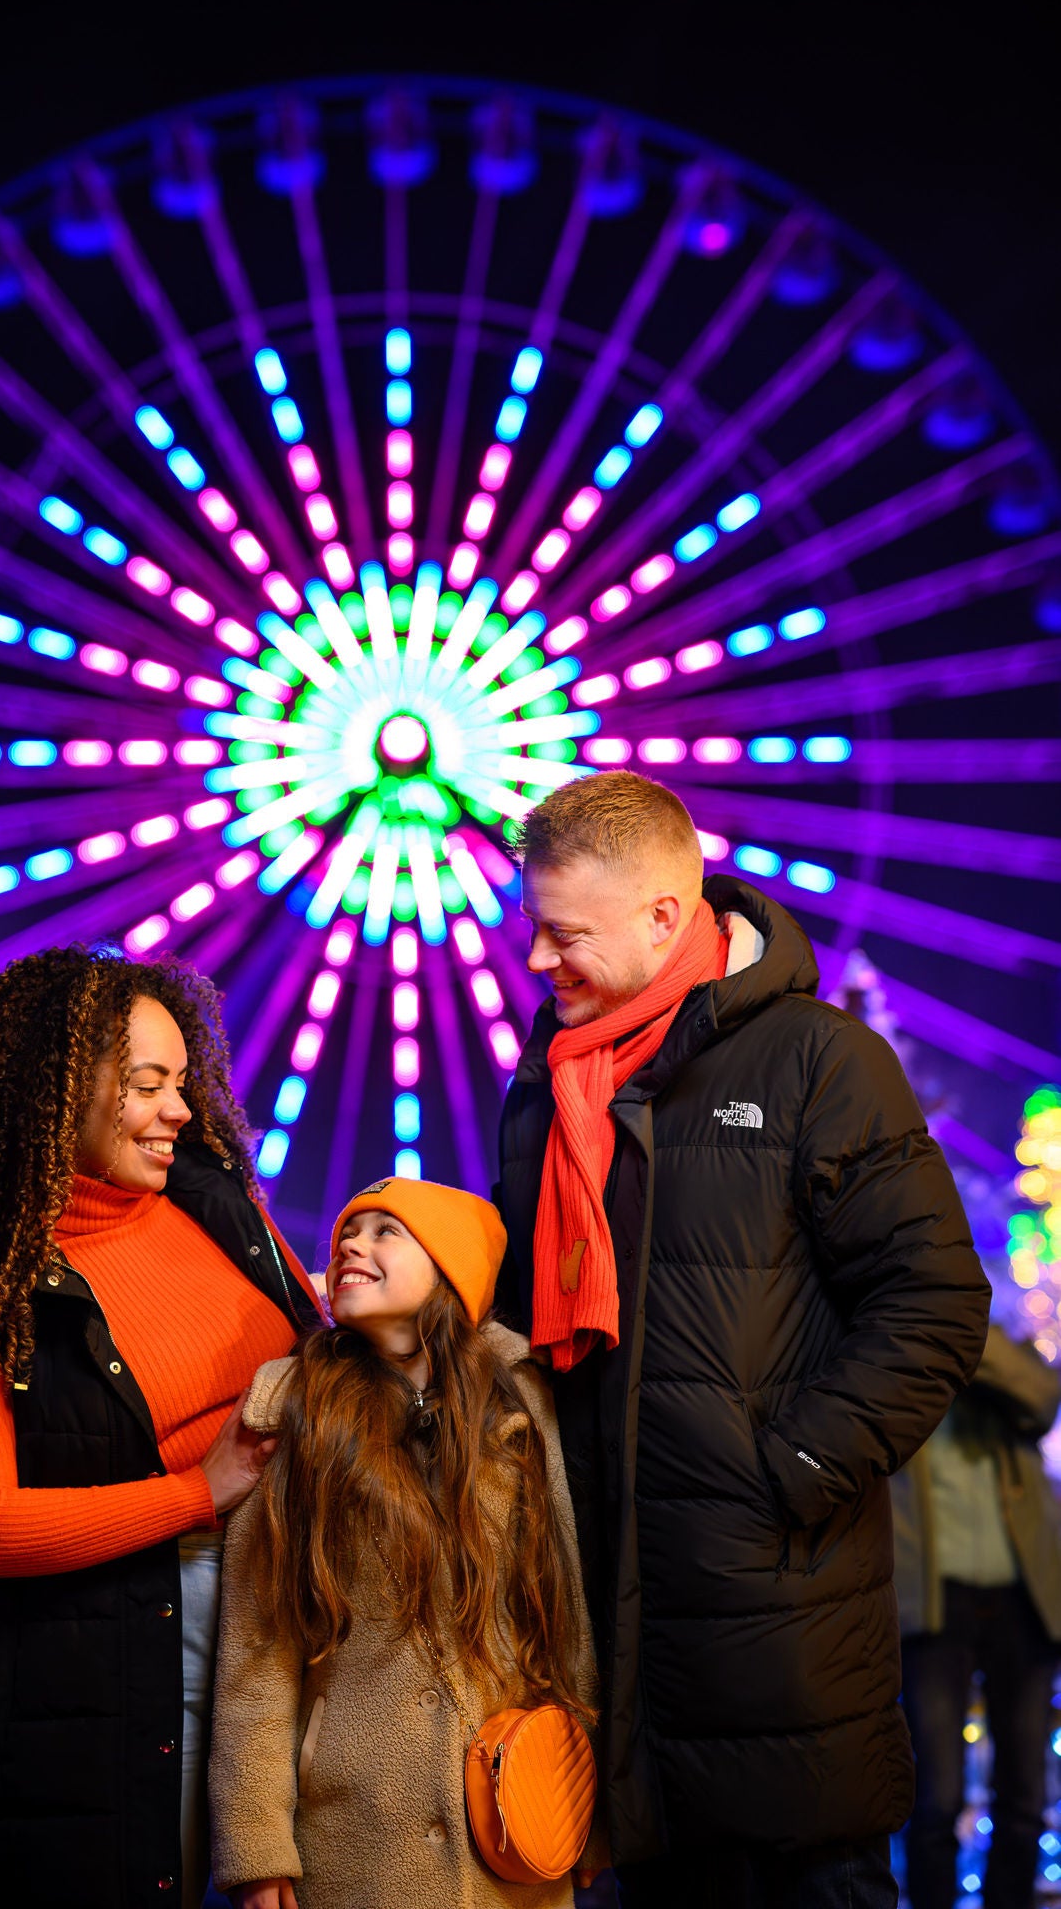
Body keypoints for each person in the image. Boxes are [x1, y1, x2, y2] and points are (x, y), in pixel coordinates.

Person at [493, 770, 991, 1908]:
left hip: (777, 1627)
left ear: (664, 915)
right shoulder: (545, 1086)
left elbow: (933, 1301)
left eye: (563, 932)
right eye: (534, 928)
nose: (536, 960)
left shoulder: (820, 1060)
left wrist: (787, 1473)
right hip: (600, 1630)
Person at [0, 944, 319, 1909]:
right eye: (146, 1085)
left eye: (182, 1082)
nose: (180, 1109)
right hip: (130, 1660)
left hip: (297, 1626)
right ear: (56, 1096)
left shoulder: (222, 1209)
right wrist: (197, 1492)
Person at [208, 1177, 603, 1909]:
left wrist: (588, 1801)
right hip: (353, 1840)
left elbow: (568, 1605)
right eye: (348, 1234)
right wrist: (257, 1846)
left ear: (451, 1269)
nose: (353, 1243)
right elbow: (257, 1646)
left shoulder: (523, 1403)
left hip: (518, 1827)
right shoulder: (296, 1415)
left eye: (388, 1231)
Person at [892, 1320, 1061, 1909]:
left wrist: (956, 1324)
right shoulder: (890, 1357)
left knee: (1024, 1799)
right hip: (934, 1606)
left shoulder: (990, 1347)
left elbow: (1042, 1397)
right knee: (935, 1799)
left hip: (1025, 1598)